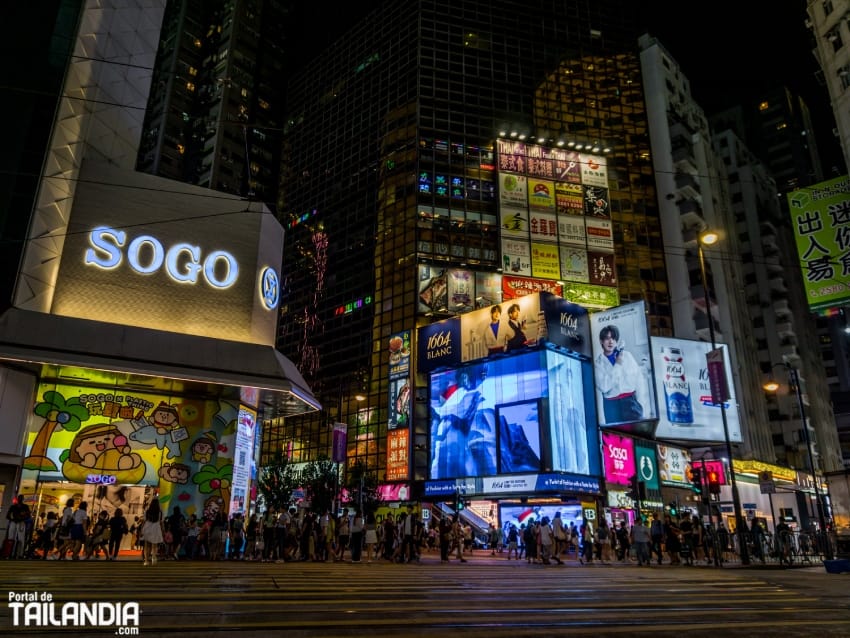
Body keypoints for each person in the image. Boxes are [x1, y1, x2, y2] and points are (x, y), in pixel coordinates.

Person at [594, 324, 648, 424]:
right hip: (612, 405)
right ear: (601, 341)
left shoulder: (627, 356)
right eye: (607, 338)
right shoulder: (598, 364)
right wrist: (618, 364)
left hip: (631, 402)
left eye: (613, 338)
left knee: (636, 435)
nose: (611, 341)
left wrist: (641, 405)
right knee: (616, 437)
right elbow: (604, 387)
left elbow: (639, 380)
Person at [5, 494, 31, 559]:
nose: (20, 499)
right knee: (10, 538)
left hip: (21, 523)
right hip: (14, 522)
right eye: (19, 498)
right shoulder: (13, 506)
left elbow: (28, 516)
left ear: (23, 499)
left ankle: (19, 554)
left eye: (21, 498)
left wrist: (22, 519)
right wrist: (13, 519)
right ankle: (9, 553)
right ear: (18, 499)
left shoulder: (25, 506)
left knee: (21, 539)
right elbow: (8, 515)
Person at [141, 498, 165, 566]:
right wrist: (163, 530)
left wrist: (141, 530)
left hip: (147, 527)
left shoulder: (147, 511)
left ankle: (146, 561)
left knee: (147, 546)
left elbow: (144, 521)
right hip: (156, 528)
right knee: (154, 545)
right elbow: (162, 522)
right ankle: (153, 557)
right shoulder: (160, 512)